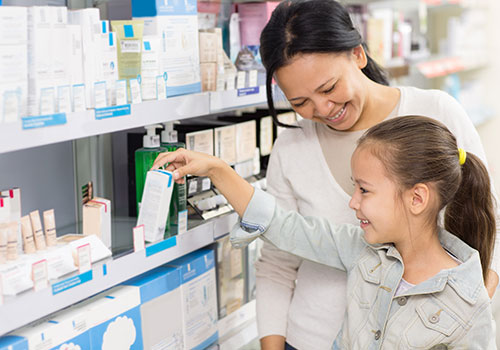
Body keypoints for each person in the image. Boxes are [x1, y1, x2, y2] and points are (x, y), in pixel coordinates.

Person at [256, 0, 500, 348]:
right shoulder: (292, 146)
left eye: (328, 89)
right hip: (309, 339)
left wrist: (466, 308)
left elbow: (490, 222)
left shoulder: (435, 111)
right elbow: (276, 264)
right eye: (300, 102)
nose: (322, 110)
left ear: (357, 54)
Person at [153, 116, 497, 349]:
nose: (352, 202)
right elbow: (286, 226)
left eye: (364, 190)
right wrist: (216, 170)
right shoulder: (363, 252)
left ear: (417, 198)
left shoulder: (468, 306)